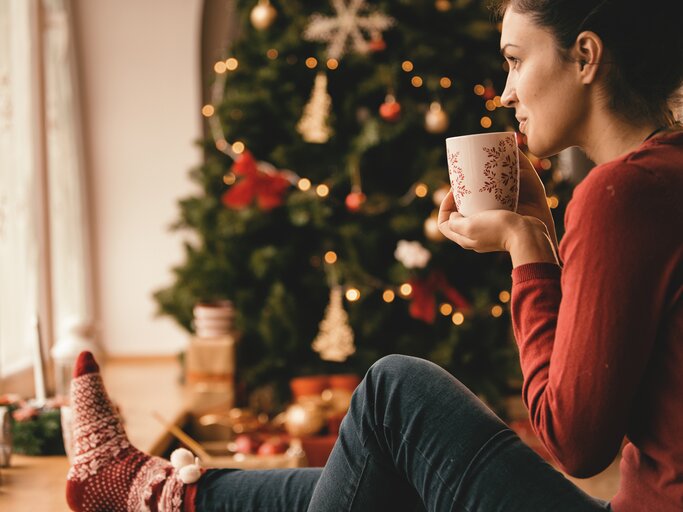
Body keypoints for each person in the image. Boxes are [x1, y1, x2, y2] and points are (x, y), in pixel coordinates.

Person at [64, 0, 682, 510]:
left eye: (516, 62)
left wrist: (528, 249)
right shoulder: (663, 176)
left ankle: (150, 492)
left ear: (586, 57)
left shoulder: (622, 193)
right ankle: (155, 491)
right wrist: (540, 232)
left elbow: (574, 439)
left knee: (393, 393)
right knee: (384, 467)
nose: (505, 93)